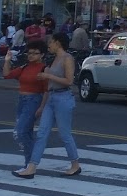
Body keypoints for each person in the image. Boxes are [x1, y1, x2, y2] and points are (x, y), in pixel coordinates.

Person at [13, 34, 81, 178]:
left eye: (51, 42)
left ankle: (75, 164)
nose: (49, 45)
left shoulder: (67, 58)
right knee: (42, 133)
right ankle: (32, 167)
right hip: (51, 96)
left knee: (65, 134)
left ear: (58, 43)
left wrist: (48, 76)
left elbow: (69, 81)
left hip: (63, 97)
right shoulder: (53, 59)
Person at [5, 40, 48, 168]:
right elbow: (7, 75)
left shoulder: (44, 69)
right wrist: (7, 60)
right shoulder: (25, 67)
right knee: (26, 132)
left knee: (21, 131)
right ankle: (29, 162)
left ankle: (31, 162)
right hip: (22, 100)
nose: (31, 56)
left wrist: (41, 107)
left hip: (34, 100)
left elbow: (47, 90)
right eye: (29, 53)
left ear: (42, 55)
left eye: (35, 53)